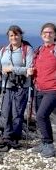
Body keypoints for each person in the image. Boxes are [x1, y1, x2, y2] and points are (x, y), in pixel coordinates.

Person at [0, 25, 33, 150]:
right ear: (8, 37)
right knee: (5, 112)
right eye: (11, 35)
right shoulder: (4, 50)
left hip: (21, 86)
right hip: (7, 85)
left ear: (21, 36)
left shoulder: (27, 49)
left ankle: (15, 136)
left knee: (17, 113)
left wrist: (12, 69)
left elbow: (29, 69)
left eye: (16, 35)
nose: (14, 37)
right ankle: (6, 136)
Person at [27, 22, 56, 158]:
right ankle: (44, 143)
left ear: (54, 34)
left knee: (41, 115)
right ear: (41, 35)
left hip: (53, 89)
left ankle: (49, 146)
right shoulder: (39, 50)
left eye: (50, 32)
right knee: (40, 117)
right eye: (45, 32)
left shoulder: (55, 50)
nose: (47, 34)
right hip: (39, 88)